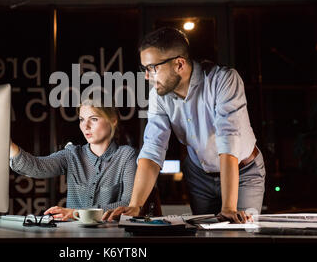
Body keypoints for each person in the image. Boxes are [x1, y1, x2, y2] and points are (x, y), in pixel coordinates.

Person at [103, 27, 266, 223]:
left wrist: (228, 207)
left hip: (243, 172)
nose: (147, 76)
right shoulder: (158, 95)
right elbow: (153, 147)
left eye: (152, 68)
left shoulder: (223, 80)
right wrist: (135, 205)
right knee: (204, 234)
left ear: (179, 64)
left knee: (239, 231)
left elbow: (228, 141)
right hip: (199, 175)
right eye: (144, 69)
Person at [9, 97, 137, 221]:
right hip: (73, 235)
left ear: (113, 120)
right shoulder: (72, 155)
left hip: (111, 237)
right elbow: (36, 167)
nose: (85, 126)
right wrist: (7, 143)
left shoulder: (126, 156)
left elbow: (127, 204)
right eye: (81, 119)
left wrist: (77, 213)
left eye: (93, 119)